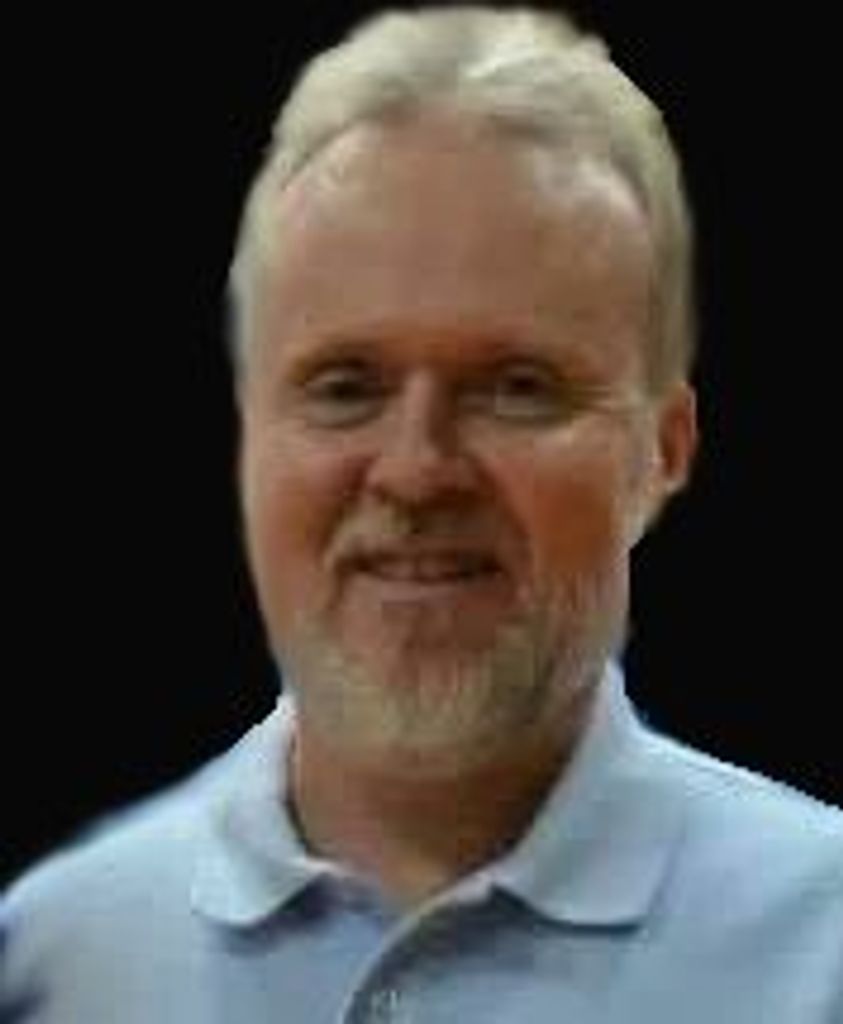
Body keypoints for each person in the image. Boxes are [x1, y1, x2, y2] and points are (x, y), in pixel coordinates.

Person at [2, 5, 841, 1022]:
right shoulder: (55, 961)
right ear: (245, 432)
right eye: (345, 386)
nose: (415, 471)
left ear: (662, 451)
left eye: (518, 388)